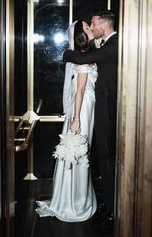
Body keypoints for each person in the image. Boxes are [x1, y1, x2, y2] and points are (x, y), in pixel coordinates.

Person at [36, 20, 98, 222]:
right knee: (78, 149)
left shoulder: (84, 55)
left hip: (85, 105)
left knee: (80, 149)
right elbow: (79, 90)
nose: (91, 28)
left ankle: (74, 196)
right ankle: (74, 201)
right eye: (88, 27)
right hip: (83, 108)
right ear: (82, 34)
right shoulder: (82, 59)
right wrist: (77, 119)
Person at [63, 10, 118, 225]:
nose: (92, 27)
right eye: (89, 25)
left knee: (106, 157)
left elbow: (81, 58)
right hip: (96, 107)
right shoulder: (103, 45)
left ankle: (113, 209)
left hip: (108, 109)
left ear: (105, 24)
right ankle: (109, 202)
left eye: (94, 23)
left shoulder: (113, 46)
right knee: (103, 156)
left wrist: (66, 52)